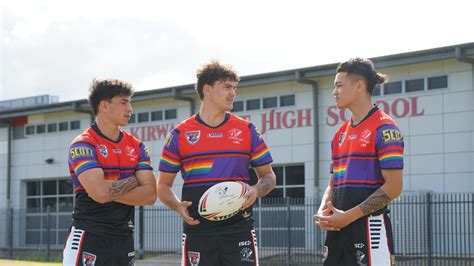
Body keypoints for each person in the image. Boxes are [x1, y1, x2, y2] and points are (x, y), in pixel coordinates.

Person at [157, 60, 276, 266]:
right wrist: (177, 205)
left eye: (234, 88)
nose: (233, 93)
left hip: (239, 230)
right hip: (198, 231)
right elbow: (163, 185)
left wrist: (256, 190)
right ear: (207, 89)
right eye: (227, 87)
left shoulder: (247, 130)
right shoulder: (179, 135)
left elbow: (269, 176)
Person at [315, 58, 404, 265]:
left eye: (339, 85)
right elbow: (332, 185)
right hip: (338, 232)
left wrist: (349, 216)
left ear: (359, 86)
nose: (334, 92)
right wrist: (323, 209)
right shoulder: (339, 135)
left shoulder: (385, 129)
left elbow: (394, 187)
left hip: (369, 231)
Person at [63, 79, 157, 266]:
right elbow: (99, 193)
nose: (130, 108)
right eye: (123, 102)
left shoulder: (136, 145)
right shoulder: (84, 144)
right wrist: (132, 181)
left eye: (130, 102)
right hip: (89, 237)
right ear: (104, 105)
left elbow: (151, 195)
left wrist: (108, 189)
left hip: (124, 240)